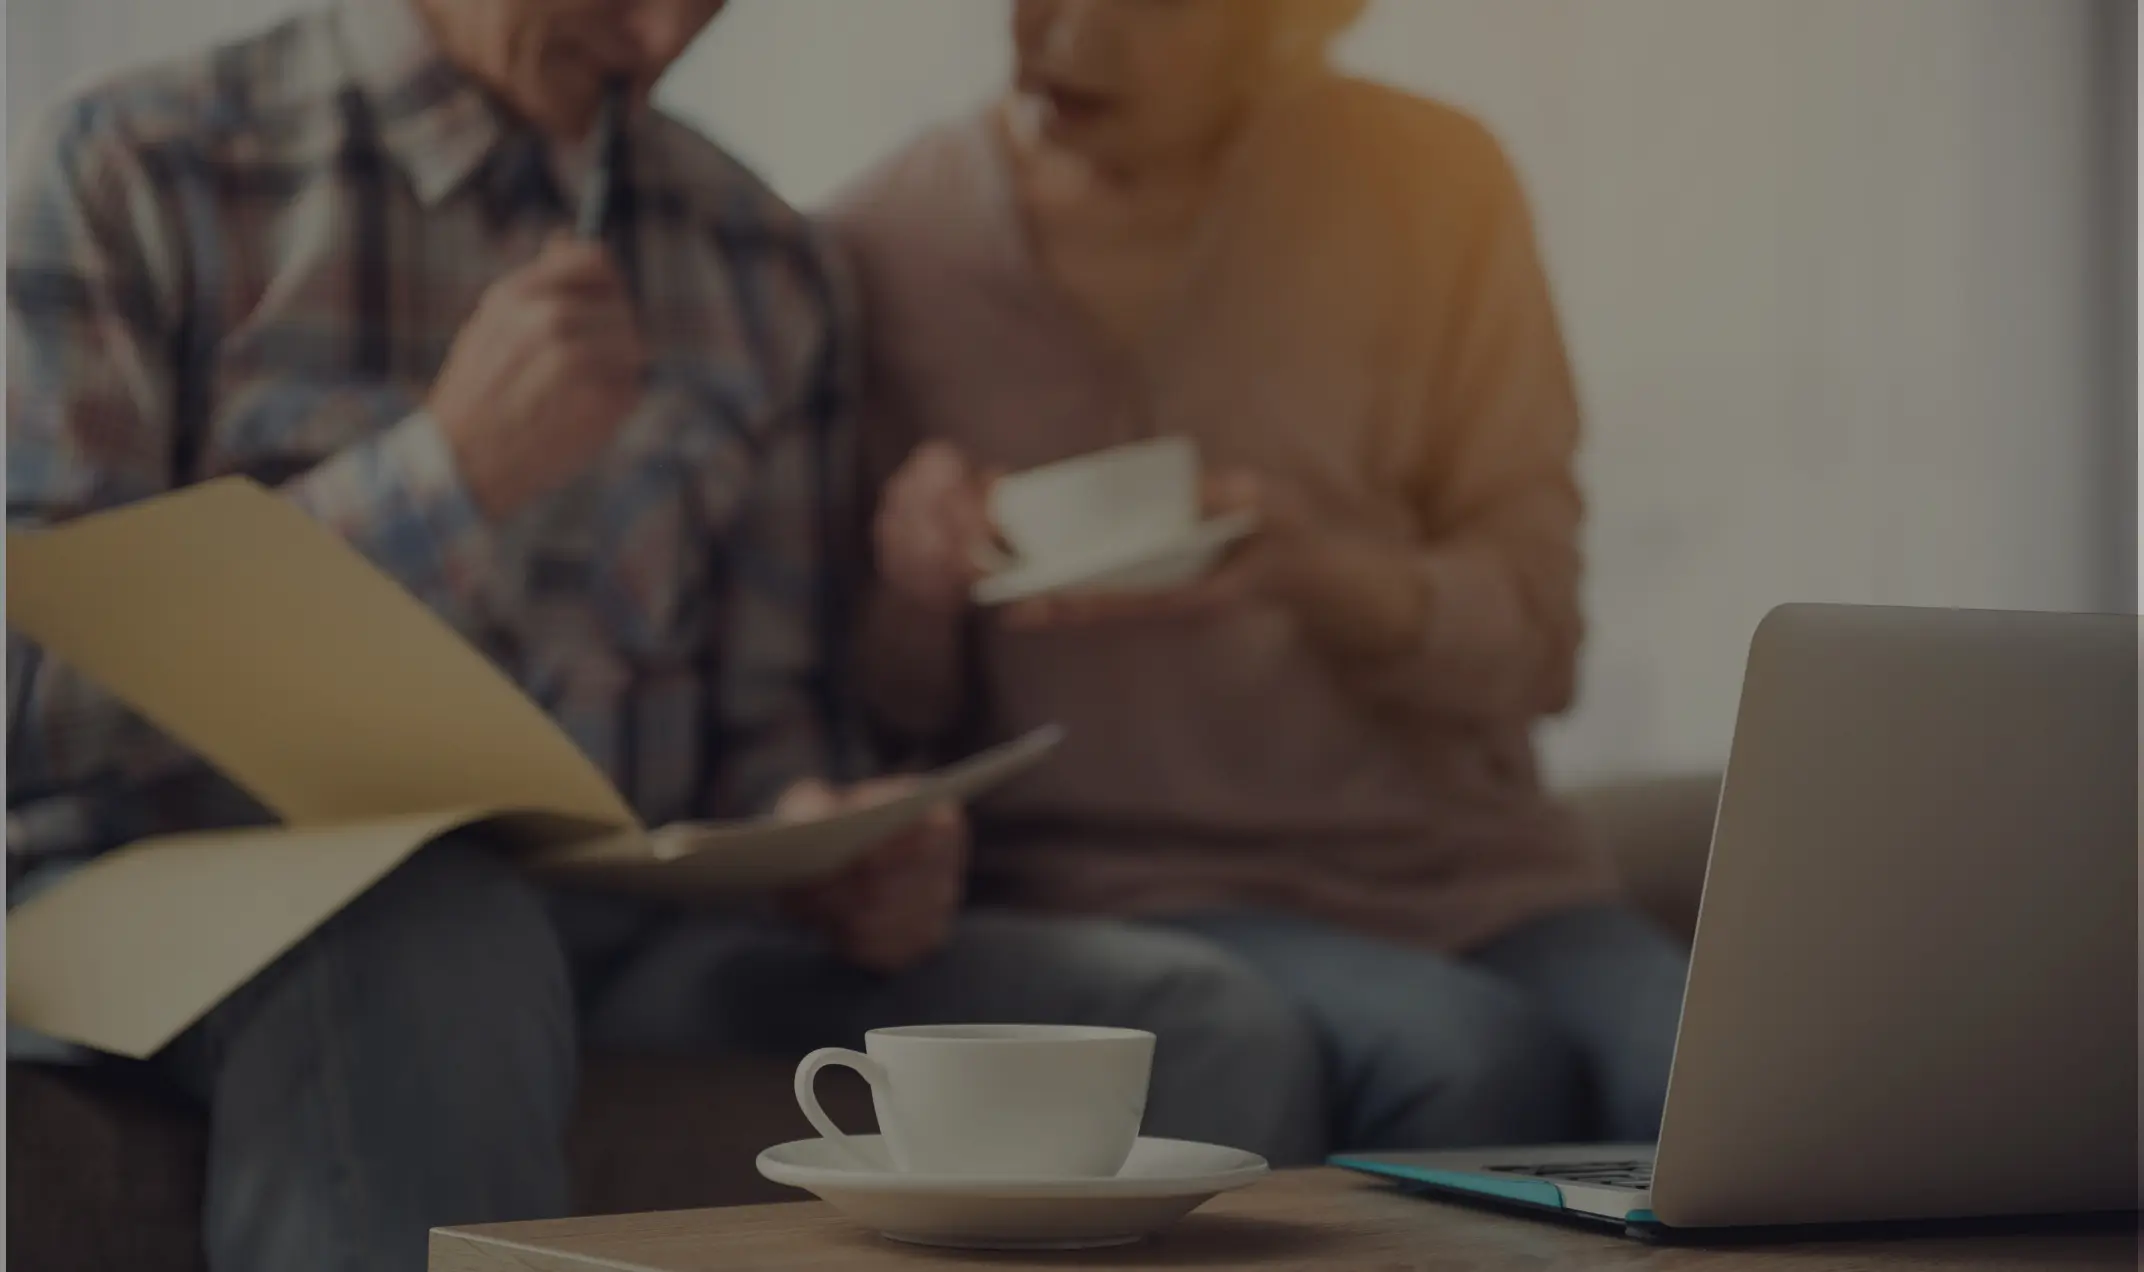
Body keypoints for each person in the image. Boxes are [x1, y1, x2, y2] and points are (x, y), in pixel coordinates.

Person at [3, 2, 1328, 1268]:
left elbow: (775, 719)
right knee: (441, 934)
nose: (655, 41)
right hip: (198, 913)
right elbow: (26, 700)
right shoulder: (138, 167)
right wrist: (444, 481)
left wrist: (826, 832)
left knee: (1206, 1029)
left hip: (633, 927)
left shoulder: (757, 256)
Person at [835, 0, 1689, 1154]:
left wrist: (1322, 574)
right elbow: (869, 722)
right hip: (1120, 891)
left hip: (1478, 878)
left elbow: (1539, 642)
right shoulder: (881, 241)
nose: (1071, 42)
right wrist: (912, 589)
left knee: (1734, 1100)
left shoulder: (1431, 185)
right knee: (1469, 1061)